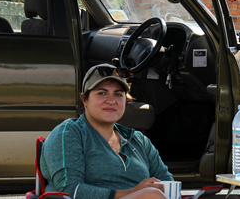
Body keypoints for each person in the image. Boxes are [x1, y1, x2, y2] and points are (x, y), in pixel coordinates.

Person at [40, 64, 172, 199]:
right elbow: (71, 190)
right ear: (84, 99)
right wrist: (135, 192)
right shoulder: (69, 133)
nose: (111, 101)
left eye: (118, 94)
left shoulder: (138, 140)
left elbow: (168, 183)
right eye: (102, 93)